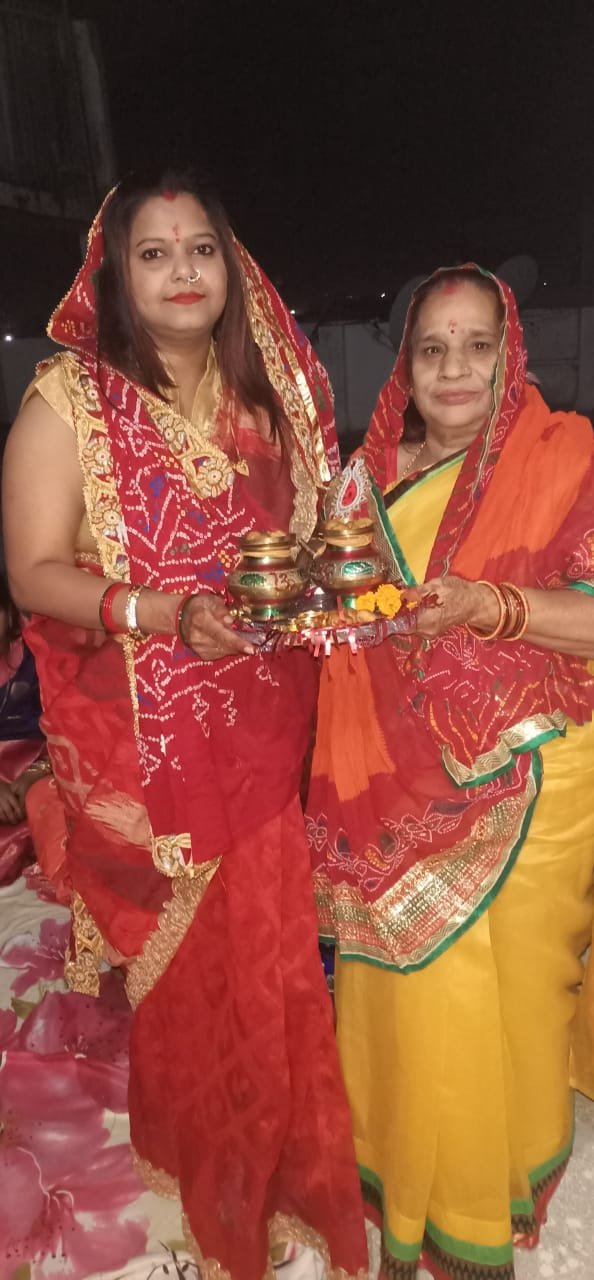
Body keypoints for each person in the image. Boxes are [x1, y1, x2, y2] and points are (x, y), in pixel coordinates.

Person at [2, 168, 367, 1280]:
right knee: (207, 972)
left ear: (230, 262)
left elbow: (316, 545)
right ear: (116, 274)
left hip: (270, 718)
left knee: (273, 963)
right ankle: (220, 1182)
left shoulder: (271, 397)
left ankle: (278, 1164)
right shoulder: (70, 402)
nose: (181, 272)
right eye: (153, 253)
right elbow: (33, 572)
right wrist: (165, 613)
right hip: (151, 737)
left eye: (200, 247)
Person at [306, 265, 594, 1280]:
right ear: (406, 365)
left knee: (499, 1002)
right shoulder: (359, 483)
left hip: (535, 772)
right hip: (387, 778)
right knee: (404, 997)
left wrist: (490, 607)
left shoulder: (566, 454)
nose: (455, 368)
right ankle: (410, 1194)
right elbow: (333, 611)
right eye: (433, 348)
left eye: (478, 346)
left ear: (511, 355)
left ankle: (482, 1195)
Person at [0, 571, 50, 884]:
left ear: (9, 615)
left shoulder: (37, 652)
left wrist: (36, 772)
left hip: (38, 762)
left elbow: (69, 723)